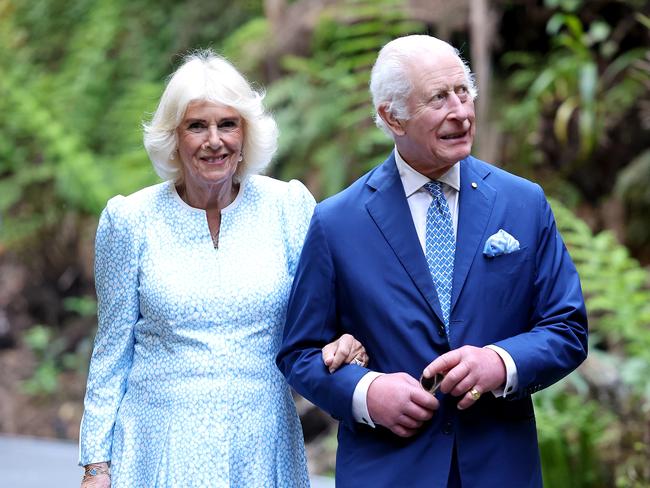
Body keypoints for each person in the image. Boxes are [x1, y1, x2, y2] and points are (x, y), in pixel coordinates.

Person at [277, 35, 588, 488]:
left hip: (500, 468)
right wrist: (366, 394)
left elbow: (567, 327)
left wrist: (500, 363)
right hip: (387, 470)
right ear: (392, 116)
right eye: (438, 98)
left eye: (463, 92)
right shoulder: (336, 222)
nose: (460, 111)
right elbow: (299, 353)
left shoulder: (524, 203)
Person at [78, 50, 368, 488]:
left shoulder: (287, 208)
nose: (214, 140)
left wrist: (348, 341)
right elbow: (112, 350)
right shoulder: (130, 220)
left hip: (261, 442)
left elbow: (325, 318)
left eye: (227, 124)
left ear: (246, 132)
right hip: (159, 445)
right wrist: (96, 466)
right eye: (197, 125)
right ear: (173, 137)